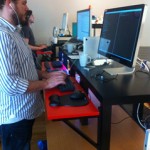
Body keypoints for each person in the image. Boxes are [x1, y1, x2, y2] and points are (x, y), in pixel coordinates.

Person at [0, 0, 67, 150]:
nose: (27, 8)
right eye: (24, 3)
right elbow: (10, 84)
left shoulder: (14, 31)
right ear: (9, 4)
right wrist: (46, 84)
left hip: (23, 116)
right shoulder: (3, 35)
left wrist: (44, 75)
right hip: (15, 119)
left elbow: (24, 66)